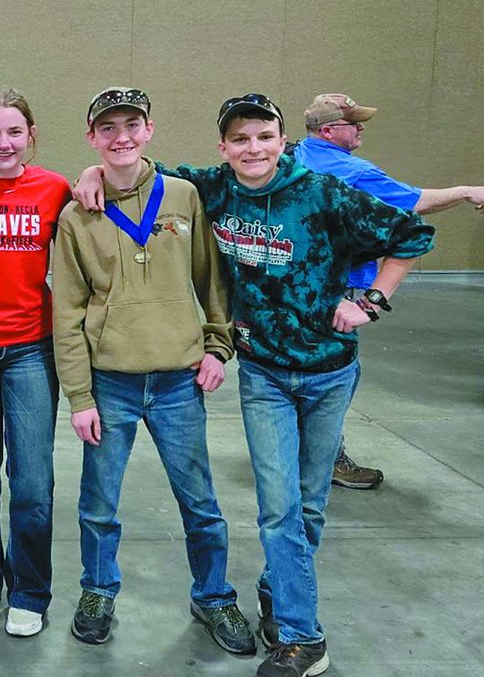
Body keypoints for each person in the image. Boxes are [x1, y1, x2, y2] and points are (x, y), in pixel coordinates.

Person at [74, 93, 433, 677]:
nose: (253, 149)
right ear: (224, 148)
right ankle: (301, 637)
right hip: (263, 370)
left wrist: (372, 299)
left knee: (309, 505)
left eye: (264, 137)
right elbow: (135, 169)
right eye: (240, 139)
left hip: (329, 370)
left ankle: (277, 591)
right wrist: (89, 170)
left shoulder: (321, 193)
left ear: (282, 141)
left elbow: (412, 234)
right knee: (278, 506)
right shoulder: (214, 188)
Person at [52, 87, 253, 654]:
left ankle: (213, 596)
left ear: (149, 129)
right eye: (108, 127)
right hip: (110, 383)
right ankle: (98, 590)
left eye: (131, 124)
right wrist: (80, 397)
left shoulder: (184, 197)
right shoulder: (77, 215)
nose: (121, 136)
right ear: (92, 137)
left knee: (200, 502)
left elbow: (211, 281)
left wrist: (218, 347)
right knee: (98, 503)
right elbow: (66, 313)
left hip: (177, 382)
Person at [292, 93, 484, 490]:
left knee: (292, 371)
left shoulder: (291, 158)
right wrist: (467, 190)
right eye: (353, 123)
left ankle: (296, 454)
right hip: (338, 288)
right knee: (336, 376)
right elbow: (416, 202)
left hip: (290, 285)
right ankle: (326, 459)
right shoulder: (353, 170)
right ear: (329, 131)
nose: (361, 128)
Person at [0, 87, 72, 637]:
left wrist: (91, 177)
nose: (4, 143)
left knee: (31, 480)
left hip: (30, 347)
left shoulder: (55, 189)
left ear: (31, 136)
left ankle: (30, 589)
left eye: (14, 132)